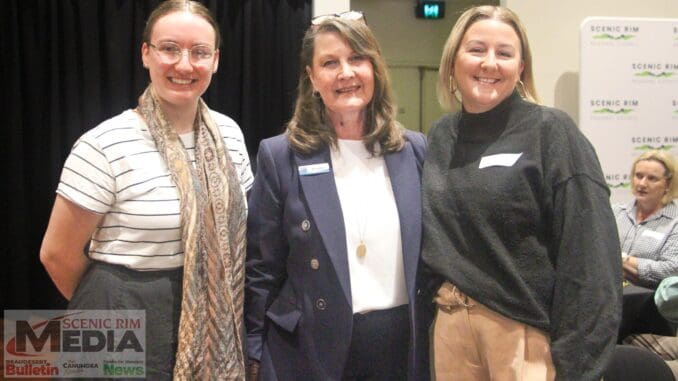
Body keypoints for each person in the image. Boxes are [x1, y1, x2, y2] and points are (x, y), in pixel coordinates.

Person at [39, 1, 253, 379]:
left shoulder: (230, 136)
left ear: (215, 60)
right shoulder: (105, 143)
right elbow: (57, 254)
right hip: (119, 313)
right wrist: (112, 313)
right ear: (146, 54)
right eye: (169, 48)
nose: (185, 65)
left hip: (212, 320)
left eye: (199, 52)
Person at [420, 5, 621, 381]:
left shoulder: (552, 132)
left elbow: (591, 260)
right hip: (450, 328)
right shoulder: (440, 137)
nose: (490, 63)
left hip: (521, 335)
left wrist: (580, 366)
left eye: (505, 53)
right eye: (477, 49)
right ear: (452, 62)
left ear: (522, 67)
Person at [245, 12, 428, 381]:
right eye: (330, 63)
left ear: (374, 68)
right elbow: (262, 267)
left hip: (401, 345)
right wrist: (253, 348)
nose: (346, 72)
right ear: (313, 78)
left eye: (357, 58)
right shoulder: (281, 156)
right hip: (310, 348)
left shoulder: (413, 150)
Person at [614, 150, 678, 288]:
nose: (642, 184)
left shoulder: (675, 222)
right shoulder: (615, 212)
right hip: (608, 299)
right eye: (639, 176)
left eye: (652, 178)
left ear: (668, 185)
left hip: (649, 304)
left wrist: (622, 260)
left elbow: (671, 269)